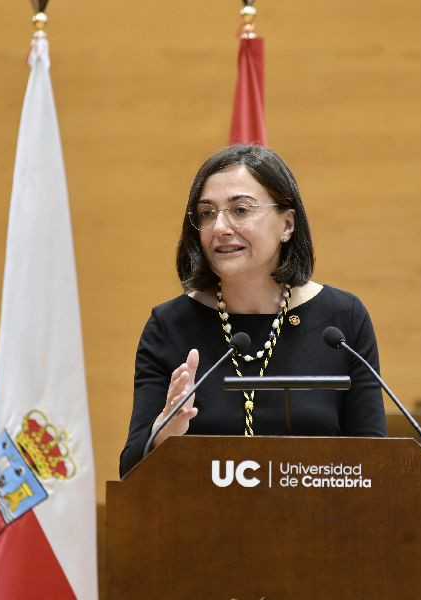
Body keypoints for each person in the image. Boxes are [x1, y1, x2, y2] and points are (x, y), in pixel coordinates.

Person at [119, 145, 387, 477]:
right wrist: (163, 434)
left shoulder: (343, 321)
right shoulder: (169, 326)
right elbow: (129, 473)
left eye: (241, 210)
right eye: (207, 213)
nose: (219, 227)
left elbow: (375, 466)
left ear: (287, 224)